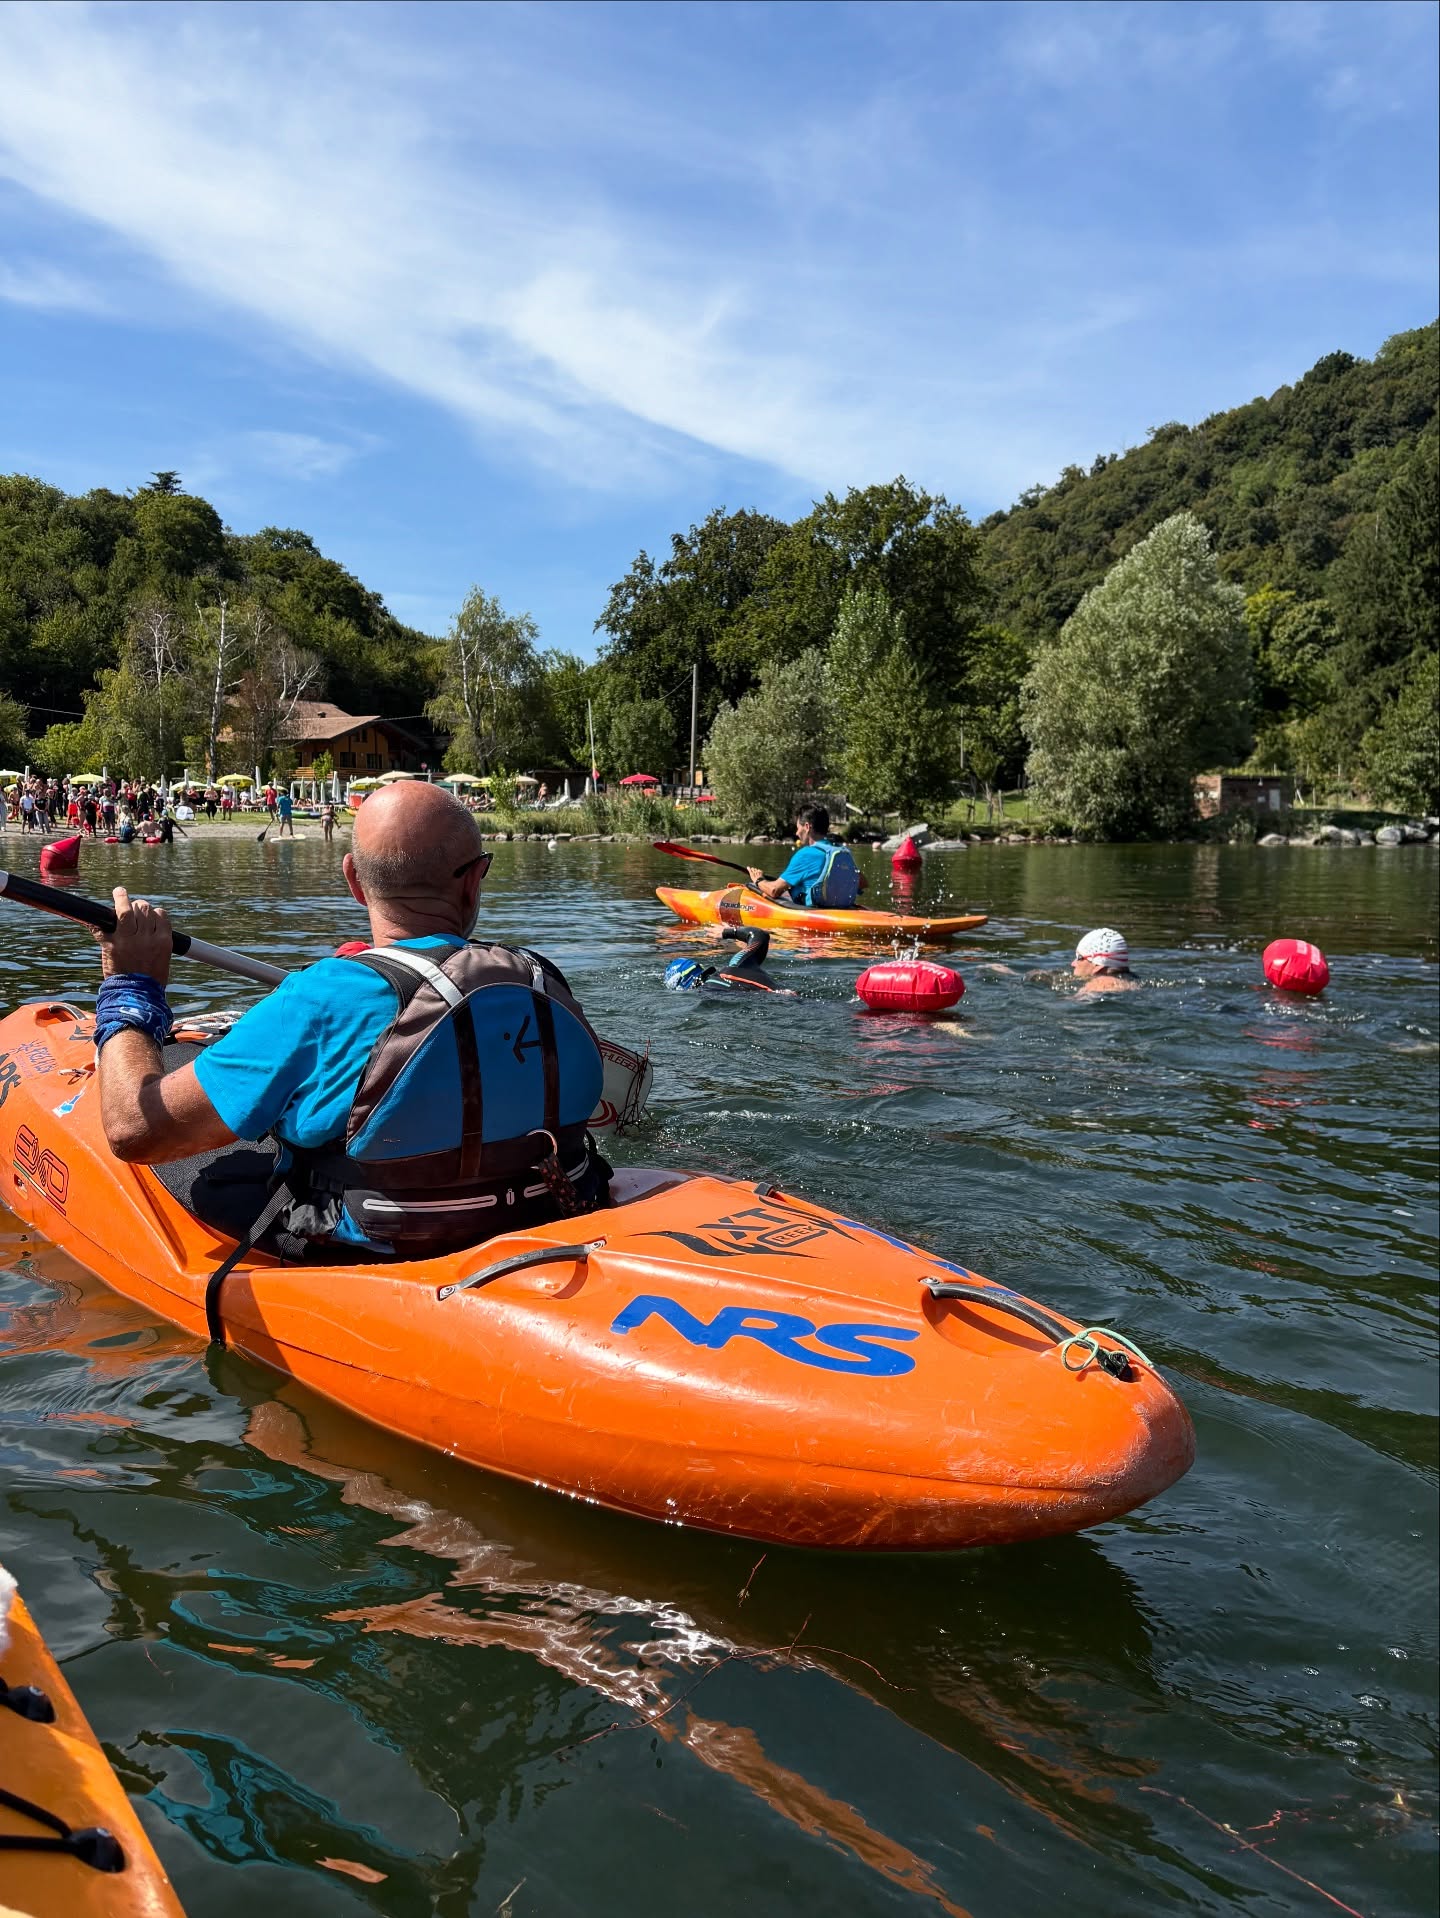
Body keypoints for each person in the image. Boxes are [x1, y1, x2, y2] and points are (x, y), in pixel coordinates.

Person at [91, 781, 611, 1261]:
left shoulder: (317, 998)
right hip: (542, 1207)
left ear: (353, 880)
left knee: (201, 1156)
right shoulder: (540, 977)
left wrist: (131, 987)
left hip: (381, 1244)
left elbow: (134, 1132)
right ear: (475, 881)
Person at [746, 806, 864, 908]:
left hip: (815, 912)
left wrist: (759, 880)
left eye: (798, 828)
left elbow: (774, 890)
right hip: (843, 909)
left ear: (807, 827)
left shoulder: (806, 854)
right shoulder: (841, 851)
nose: (797, 833)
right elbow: (863, 883)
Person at [663, 927, 792, 996]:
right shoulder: (737, 965)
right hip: (798, 999)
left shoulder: (707, 993)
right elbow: (759, 936)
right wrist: (727, 932)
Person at [1072, 928, 1139, 995]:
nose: (1073, 964)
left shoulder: (1097, 985)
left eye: (1079, 957)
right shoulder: (1133, 982)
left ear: (1098, 965)